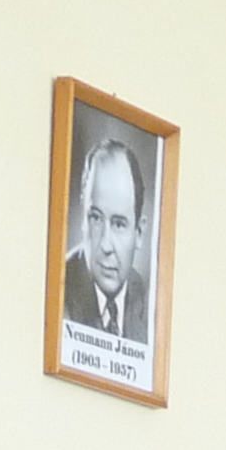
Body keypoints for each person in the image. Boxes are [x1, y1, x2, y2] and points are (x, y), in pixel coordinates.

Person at [61, 127, 145, 344]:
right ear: (83, 217)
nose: (106, 245)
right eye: (96, 218)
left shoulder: (144, 296)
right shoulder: (59, 289)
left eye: (119, 224)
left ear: (139, 232)